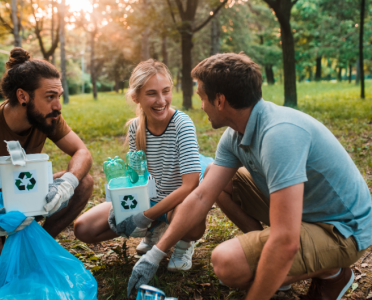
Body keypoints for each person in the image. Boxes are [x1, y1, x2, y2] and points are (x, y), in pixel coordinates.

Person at [127, 53, 372, 300]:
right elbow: (202, 196)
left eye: (202, 97)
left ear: (220, 100)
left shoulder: (278, 135)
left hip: (342, 230)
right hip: (306, 214)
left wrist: (277, 253)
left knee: (227, 263)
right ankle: (271, 259)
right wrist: (155, 253)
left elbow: (286, 240)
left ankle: (332, 273)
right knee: (214, 175)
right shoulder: (235, 135)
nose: (201, 105)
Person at [0, 48, 93, 290]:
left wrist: (67, 184)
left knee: (84, 182)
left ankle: (37, 249)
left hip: (25, 198)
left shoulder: (48, 118)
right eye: (50, 97)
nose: (58, 105)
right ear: (23, 96)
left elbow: (82, 152)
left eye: (59, 95)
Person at [74, 59, 205, 272]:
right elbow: (138, 179)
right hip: (149, 201)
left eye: (166, 91)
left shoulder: (183, 124)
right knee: (84, 228)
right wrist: (126, 206)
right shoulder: (136, 127)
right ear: (136, 97)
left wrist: (144, 216)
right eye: (151, 93)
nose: (161, 100)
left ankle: (184, 243)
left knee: (195, 219)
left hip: (178, 202)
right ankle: (156, 228)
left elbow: (190, 186)